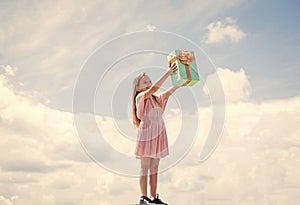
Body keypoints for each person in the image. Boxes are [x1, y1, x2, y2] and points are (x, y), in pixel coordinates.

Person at [132, 63, 180, 204]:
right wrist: (168, 73)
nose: (148, 84)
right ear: (138, 87)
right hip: (147, 133)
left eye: (149, 81)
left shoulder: (156, 99)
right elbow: (154, 89)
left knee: (154, 167)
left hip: (159, 133)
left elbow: (168, 93)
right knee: (145, 166)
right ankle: (143, 197)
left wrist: (182, 81)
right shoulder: (140, 96)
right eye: (145, 82)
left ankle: (153, 197)